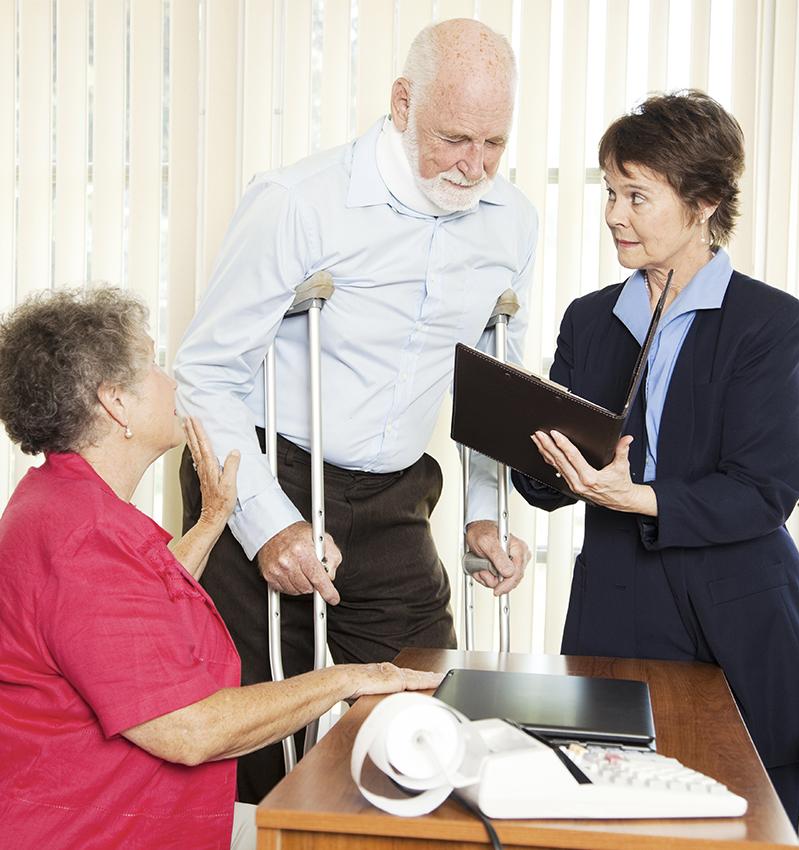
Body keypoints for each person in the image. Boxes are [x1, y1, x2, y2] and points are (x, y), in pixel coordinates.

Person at [175, 18, 536, 802]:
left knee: (422, 718)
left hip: (395, 491)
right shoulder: (299, 203)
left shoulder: (510, 223)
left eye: (494, 145)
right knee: (255, 733)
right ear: (402, 103)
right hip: (268, 471)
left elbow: (493, 381)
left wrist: (484, 512)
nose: (474, 167)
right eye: (455, 138)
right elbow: (205, 372)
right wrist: (267, 522)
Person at [0, 287, 442, 850]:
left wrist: (212, 520)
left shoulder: (61, 501)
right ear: (115, 402)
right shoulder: (83, 538)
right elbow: (190, 730)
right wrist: (351, 676)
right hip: (97, 829)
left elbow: (126, 615)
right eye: (155, 364)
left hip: (119, 810)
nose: (172, 380)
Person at [512, 90, 799, 828]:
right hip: (616, 615)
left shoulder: (772, 323)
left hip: (738, 620)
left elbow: (764, 492)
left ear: (704, 202)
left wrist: (641, 498)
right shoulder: (591, 319)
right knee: (606, 825)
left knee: (746, 833)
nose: (613, 215)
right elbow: (553, 483)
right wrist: (529, 445)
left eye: (637, 195)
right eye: (610, 191)